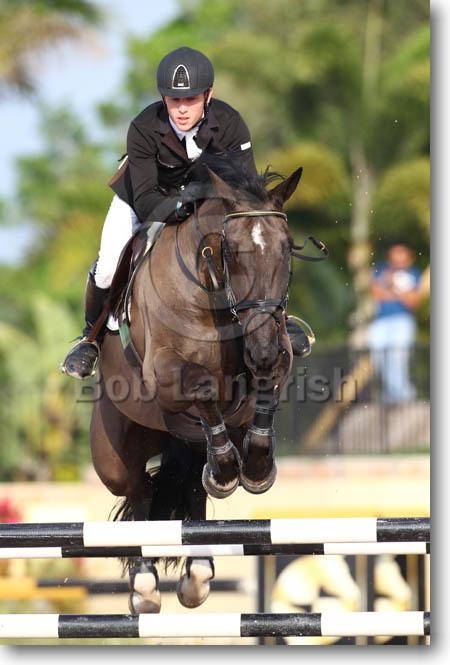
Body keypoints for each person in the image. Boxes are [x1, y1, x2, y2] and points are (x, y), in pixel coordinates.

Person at [61, 46, 311, 379]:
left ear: (208, 95)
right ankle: (90, 338)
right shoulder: (143, 127)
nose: (181, 109)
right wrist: (182, 204)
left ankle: (281, 318)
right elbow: (146, 199)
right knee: (107, 266)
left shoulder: (230, 124)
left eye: (190, 99)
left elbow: (246, 191)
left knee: (253, 247)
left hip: (207, 202)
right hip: (142, 199)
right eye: (174, 100)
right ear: (163, 98)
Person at [367, 243, 423, 404]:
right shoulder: (381, 270)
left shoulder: (413, 273)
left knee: (398, 358)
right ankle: (392, 393)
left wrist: (392, 288)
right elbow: (376, 293)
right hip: (381, 320)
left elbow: (413, 301)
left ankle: (402, 395)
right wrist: (400, 293)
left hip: (402, 320)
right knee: (378, 357)